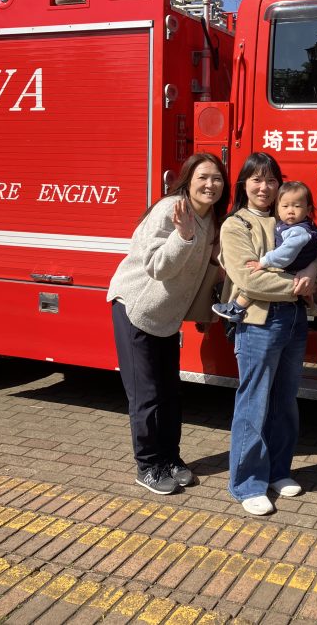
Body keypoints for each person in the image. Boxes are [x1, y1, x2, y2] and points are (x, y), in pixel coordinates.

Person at [107, 153, 229, 495]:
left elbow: (200, 275)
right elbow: (158, 267)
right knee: (146, 395)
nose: (210, 184)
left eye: (217, 178)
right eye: (203, 177)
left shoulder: (211, 219)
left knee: (170, 394)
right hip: (136, 309)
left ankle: (170, 458)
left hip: (167, 317)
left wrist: (204, 314)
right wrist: (183, 237)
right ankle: (148, 466)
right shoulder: (170, 210)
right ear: (187, 181)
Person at [218, 153, 317, 516]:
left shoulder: (291, 217)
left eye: (270, 180)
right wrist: (301, 286)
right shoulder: (236, 225)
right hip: (258, 322)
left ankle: (278, 471)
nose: (264, 187)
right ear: (244, 185)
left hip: (294, 319)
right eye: (256, 180)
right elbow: (249, 280)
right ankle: (247, 483)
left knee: (284, 400)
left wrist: (313, 270)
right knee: (254, 401)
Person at [212, 180, 317, 323]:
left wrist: (264, 262)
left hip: (291, 292)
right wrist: (304, 286)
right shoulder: (236, 224)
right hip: (261, 319)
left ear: (308, 210)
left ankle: (236, 308)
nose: (290, 210)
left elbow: (288, 253)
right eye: (285, 206)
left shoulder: (296, 229)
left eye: (297, 206)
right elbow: (249, 281)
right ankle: (236, 307)